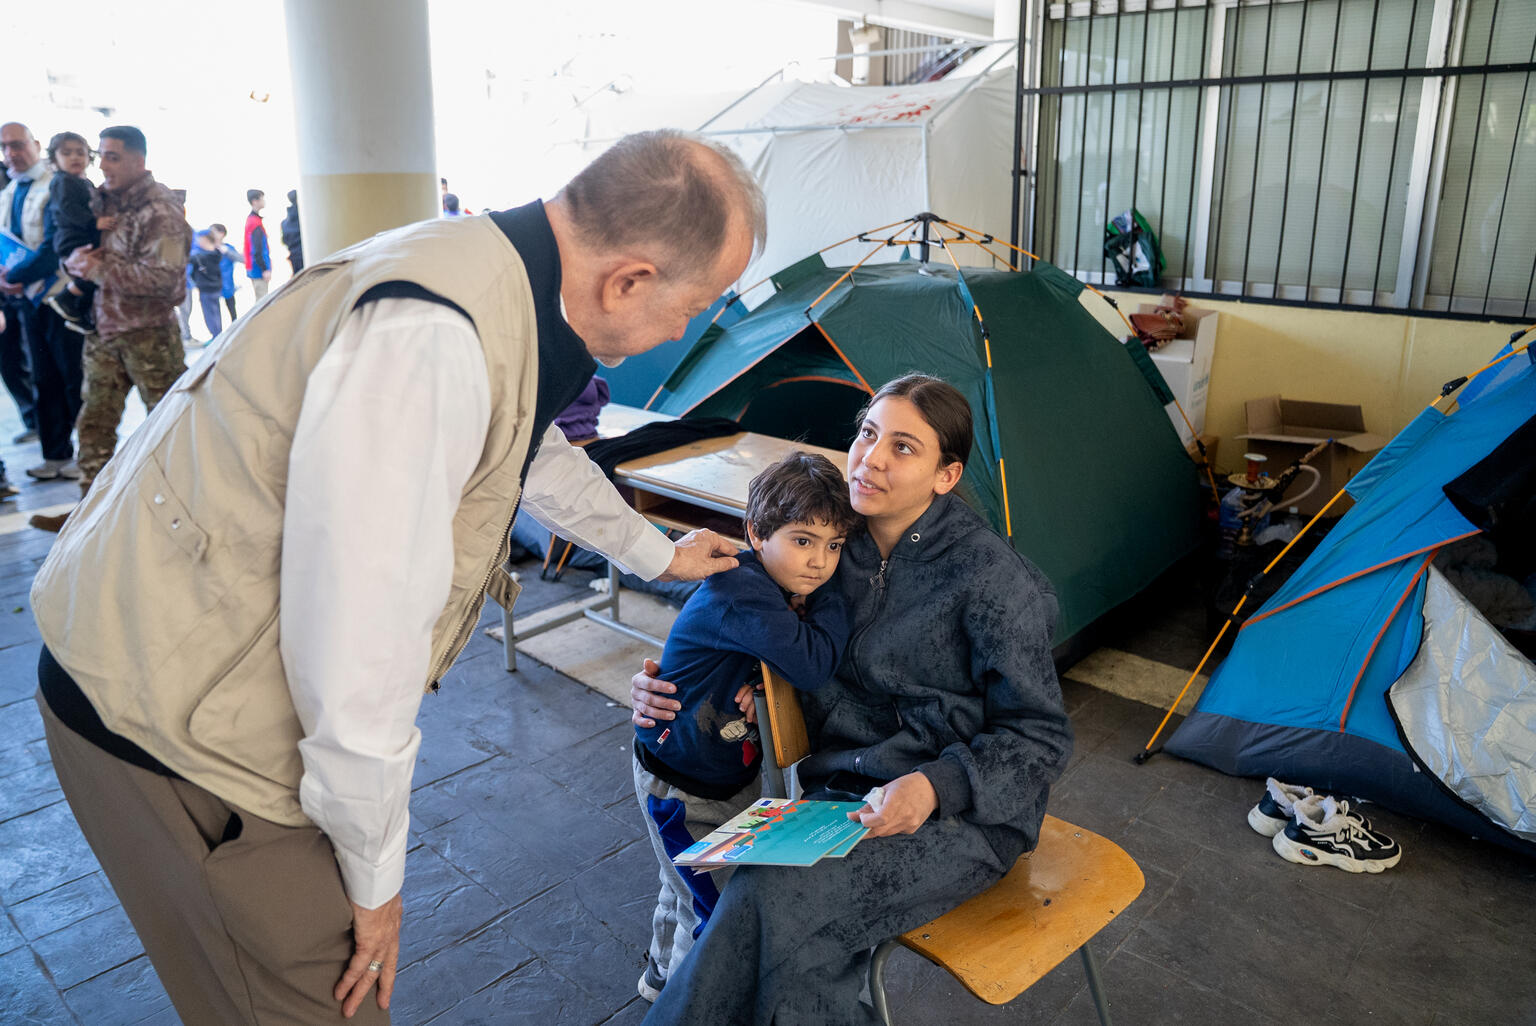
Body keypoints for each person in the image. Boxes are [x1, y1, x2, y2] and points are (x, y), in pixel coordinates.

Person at [32, 129, 765, 1025]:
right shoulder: (432, 339)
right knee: (324, 991)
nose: (685, 331)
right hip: (170, 718)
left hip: (165, 644)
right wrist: (375, 884)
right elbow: (358, 651)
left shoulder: (489, 270)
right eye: (693, 308)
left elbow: (531, 445)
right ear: (631, 279)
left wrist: (657, 553)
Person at [631, 374, 1074, 1023]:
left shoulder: (994, 584)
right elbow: (743, 590)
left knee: (774, 908)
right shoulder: (840, 538)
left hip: (961, 814)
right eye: (868, 433)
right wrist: (677, 678)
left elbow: (1040, 737)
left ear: (946, 476)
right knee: (776, 920)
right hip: (843, 798)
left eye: (903, 447)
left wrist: (936, 786)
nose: (870, 458)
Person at [633, 451, 858, 1003]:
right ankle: (687, 1006)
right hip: (685, 786)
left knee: (683, 884)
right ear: (756, 533)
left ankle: (659, 979)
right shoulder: (744, 591)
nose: (820, 563)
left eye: (835, 547)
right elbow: (811, 663)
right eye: (803, 540)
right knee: (713, 910)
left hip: (713, 771)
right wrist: (837, 594)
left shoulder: (767, 584)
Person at [29, 125, 190, 533]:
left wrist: (101, 270)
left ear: (139, 160)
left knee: (172, 426)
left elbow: (167, 281)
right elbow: (72, 248)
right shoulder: (97, 199)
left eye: (114, 156)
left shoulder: (161, 209)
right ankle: (91, 516)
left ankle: (188, 513)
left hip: (148, 336)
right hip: (103, 331)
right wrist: (74, 264)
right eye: (102, 156)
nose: (104, 165)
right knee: (94, 424)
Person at [0, 122, 87, 483]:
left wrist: (15, 278)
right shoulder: (8, 191)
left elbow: (55, 246)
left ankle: (86, 454)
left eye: (18, 145)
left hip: (59, 296)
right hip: (27, 302)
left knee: (73, 378)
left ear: (36, 145)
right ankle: (54, 454)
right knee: (43, 378)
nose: (11, 153)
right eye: (5, 147)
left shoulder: (56, 184)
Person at [42, 131, 110, 334]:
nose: (75, 157)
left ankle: (78, 313)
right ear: (55, 158)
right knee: (94, 273)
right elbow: (68, 209)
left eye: (80, 153)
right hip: (73, 238)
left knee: (95, 275)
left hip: (82, 235)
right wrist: (94, 222)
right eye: (67, 153)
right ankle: (66, 298)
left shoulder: (83, 182)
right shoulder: (62, 181)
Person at [0, 122, 41, 449]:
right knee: (9, 359)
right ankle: (32, 418)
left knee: (38, 358)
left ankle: (49, 423)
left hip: (31, 284)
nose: (10, 152)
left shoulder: (21, 179)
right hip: (4, 287)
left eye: (17, 144)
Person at [186, 227, 224, 338]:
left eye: (199, 239)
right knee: (216, 313)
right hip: (216, 288)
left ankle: (216, 338)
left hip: (206, 290)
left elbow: (186, 259)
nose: (197, 242)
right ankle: (218, 336)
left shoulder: (199, 257)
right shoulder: (217, 253)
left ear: (205, 239)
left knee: (210, 315)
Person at [209, 221, 243, 321]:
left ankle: (235, 327)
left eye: (213, 232)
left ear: (222, 234)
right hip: (213, 286)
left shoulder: (228, 248)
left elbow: (242, 259)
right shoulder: (208, 249)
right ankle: (217, 334)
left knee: (232, 309)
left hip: (228, 285)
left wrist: (226, 251)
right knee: (214, 313)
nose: (211, 234)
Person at [243, 187, 271, 299]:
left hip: (255, 268)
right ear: (255, 201)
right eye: (262, 199)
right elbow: (257, 249)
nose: (264, 201)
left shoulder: (253, 220)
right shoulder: (254, 223)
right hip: (258, 270)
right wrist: (264, 269)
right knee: (262, 301)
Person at [281, 188, 302, 273]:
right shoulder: (304, 221)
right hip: (303, 257)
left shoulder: (284, 223)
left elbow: (284, 240)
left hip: (293, 258)